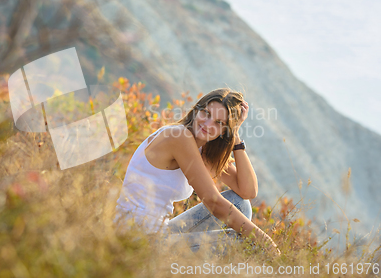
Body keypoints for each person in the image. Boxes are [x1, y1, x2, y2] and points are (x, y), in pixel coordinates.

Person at [114, 88, 280, 255]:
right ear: (196, 111)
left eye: (219, 122)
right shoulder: (178, 136)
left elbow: (247, 191)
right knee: (246, 242)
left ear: (224, 130)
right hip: (137, 238)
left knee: (240, 204)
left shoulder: (203, 149)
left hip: (160, 232)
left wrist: (235, 135)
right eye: (206, 114)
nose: (208, 125)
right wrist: (266, 241)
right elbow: (214, 202)